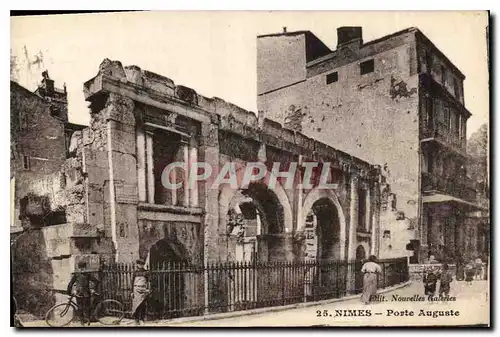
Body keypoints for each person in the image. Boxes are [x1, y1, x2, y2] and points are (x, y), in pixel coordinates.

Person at [67, 261, 100, 326]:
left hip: (86, 293)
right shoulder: (76, 275)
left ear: (85, 268)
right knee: (80, 308)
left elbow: (96, 281)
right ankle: (82, 321)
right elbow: (71, 283)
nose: (82, 270)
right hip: (78, 294)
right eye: (81, 268)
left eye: (83, 268)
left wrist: (93, 289)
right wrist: (69, 291)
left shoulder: (88, 275)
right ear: (79, 268)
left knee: (87, 308)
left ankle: (88, 320)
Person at [131, 259, 150, 325]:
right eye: (139, 264)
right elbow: (132, 282)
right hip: (136, 290)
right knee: (136, 306)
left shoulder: (146, 272)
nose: (140, 265)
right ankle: (136, 320)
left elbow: (148, 281)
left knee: (142, 305)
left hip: (143, 289)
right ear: (137, 265)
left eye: (142, 264)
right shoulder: (135, 272)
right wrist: (132, 292)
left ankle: (142, 319)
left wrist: (148, 289)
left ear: (143, 265)